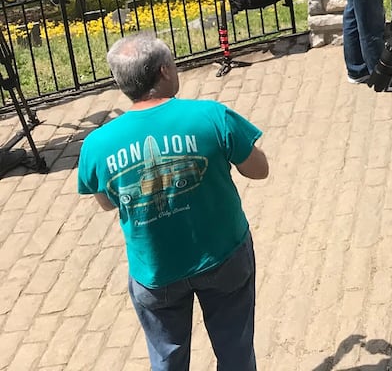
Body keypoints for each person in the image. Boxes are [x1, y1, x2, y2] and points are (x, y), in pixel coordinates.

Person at [76, 36, 269, 371]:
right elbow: (259, 170)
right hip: (222, 256)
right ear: (164, 71)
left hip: (155, 270)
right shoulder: (211, 116)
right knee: (235, 349)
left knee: (166, 357)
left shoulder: (96, 144)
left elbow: (106, 203)